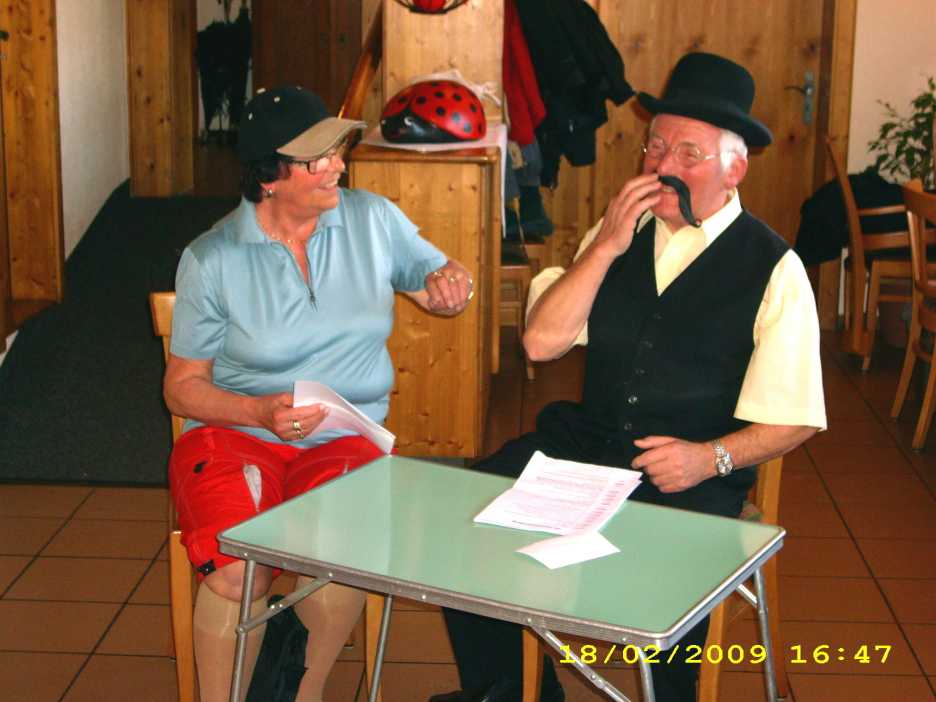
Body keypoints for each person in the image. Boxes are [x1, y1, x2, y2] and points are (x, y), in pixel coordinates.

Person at [430, 52, 826, 702]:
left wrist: (710, 457)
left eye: (688, 153)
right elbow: (541, 342)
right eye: (656, 147)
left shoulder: (774, 268)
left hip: (691, 471)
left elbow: (796, 417)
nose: (664, 167)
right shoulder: (620, 232)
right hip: (588, 445)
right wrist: (605, 246)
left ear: (735, 168)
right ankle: (507, 689)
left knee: (667, 579)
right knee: (464, 516)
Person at [164, 85, 472, 702]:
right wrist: (258, 412)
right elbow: (181, 389)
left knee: (340, 560)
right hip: (237, 435)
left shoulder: (372, 219)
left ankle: (302, 694)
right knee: (236, 571)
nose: (337, 165)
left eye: (337, 150)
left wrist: (449, 284)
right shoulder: (213, 259)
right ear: (268, 178)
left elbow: (437, 277)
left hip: (345, 438)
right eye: (315, 159)